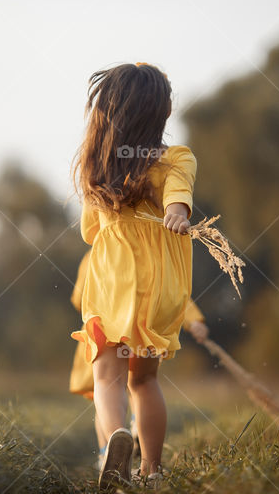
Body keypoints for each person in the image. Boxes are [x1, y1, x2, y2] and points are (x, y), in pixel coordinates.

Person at [70, 62, 198, 490]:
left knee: (108, 376)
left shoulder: (98, 169)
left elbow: (92, 231)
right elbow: (178, 199)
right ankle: (153, 470)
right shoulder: (176, 158)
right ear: (160, 113)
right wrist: (175, 215)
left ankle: (113, 446)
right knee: (144, 380)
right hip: (158, 286)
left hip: (113, 284)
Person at [68, 249, 209, 470]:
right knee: (140, 384)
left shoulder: (95, 253)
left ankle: (107, 449)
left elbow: (79, 298)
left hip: (107, 329)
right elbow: (175, 293)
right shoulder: (155, 248)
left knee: (106, 391)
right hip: (142, 328)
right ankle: (145, 452)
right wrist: (193, 321)